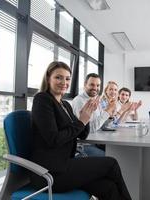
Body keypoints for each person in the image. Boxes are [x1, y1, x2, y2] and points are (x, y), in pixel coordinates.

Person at [30, 61, 132, 200]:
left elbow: (82, 133)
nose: (64, 82)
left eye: (67, 78)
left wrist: (87, 116)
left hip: (65, 164)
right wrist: (81, 121)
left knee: (109, 188)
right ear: (48, 78)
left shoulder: (65, 104)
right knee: (111, 163)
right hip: (49, 172)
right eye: (58, 77)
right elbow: (54, 139)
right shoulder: (42, 99)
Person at [72, 73, 115, 156]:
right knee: (113, 156)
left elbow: (100, 124)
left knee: (119, 151)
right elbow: (90, 129)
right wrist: (107, 111)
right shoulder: (79, 101)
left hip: (97, 141)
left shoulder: (95, 99)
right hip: (85, 145)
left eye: (98, 85)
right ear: (85, 85)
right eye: (92, 84)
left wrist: (110, 114)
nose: (95, 88)